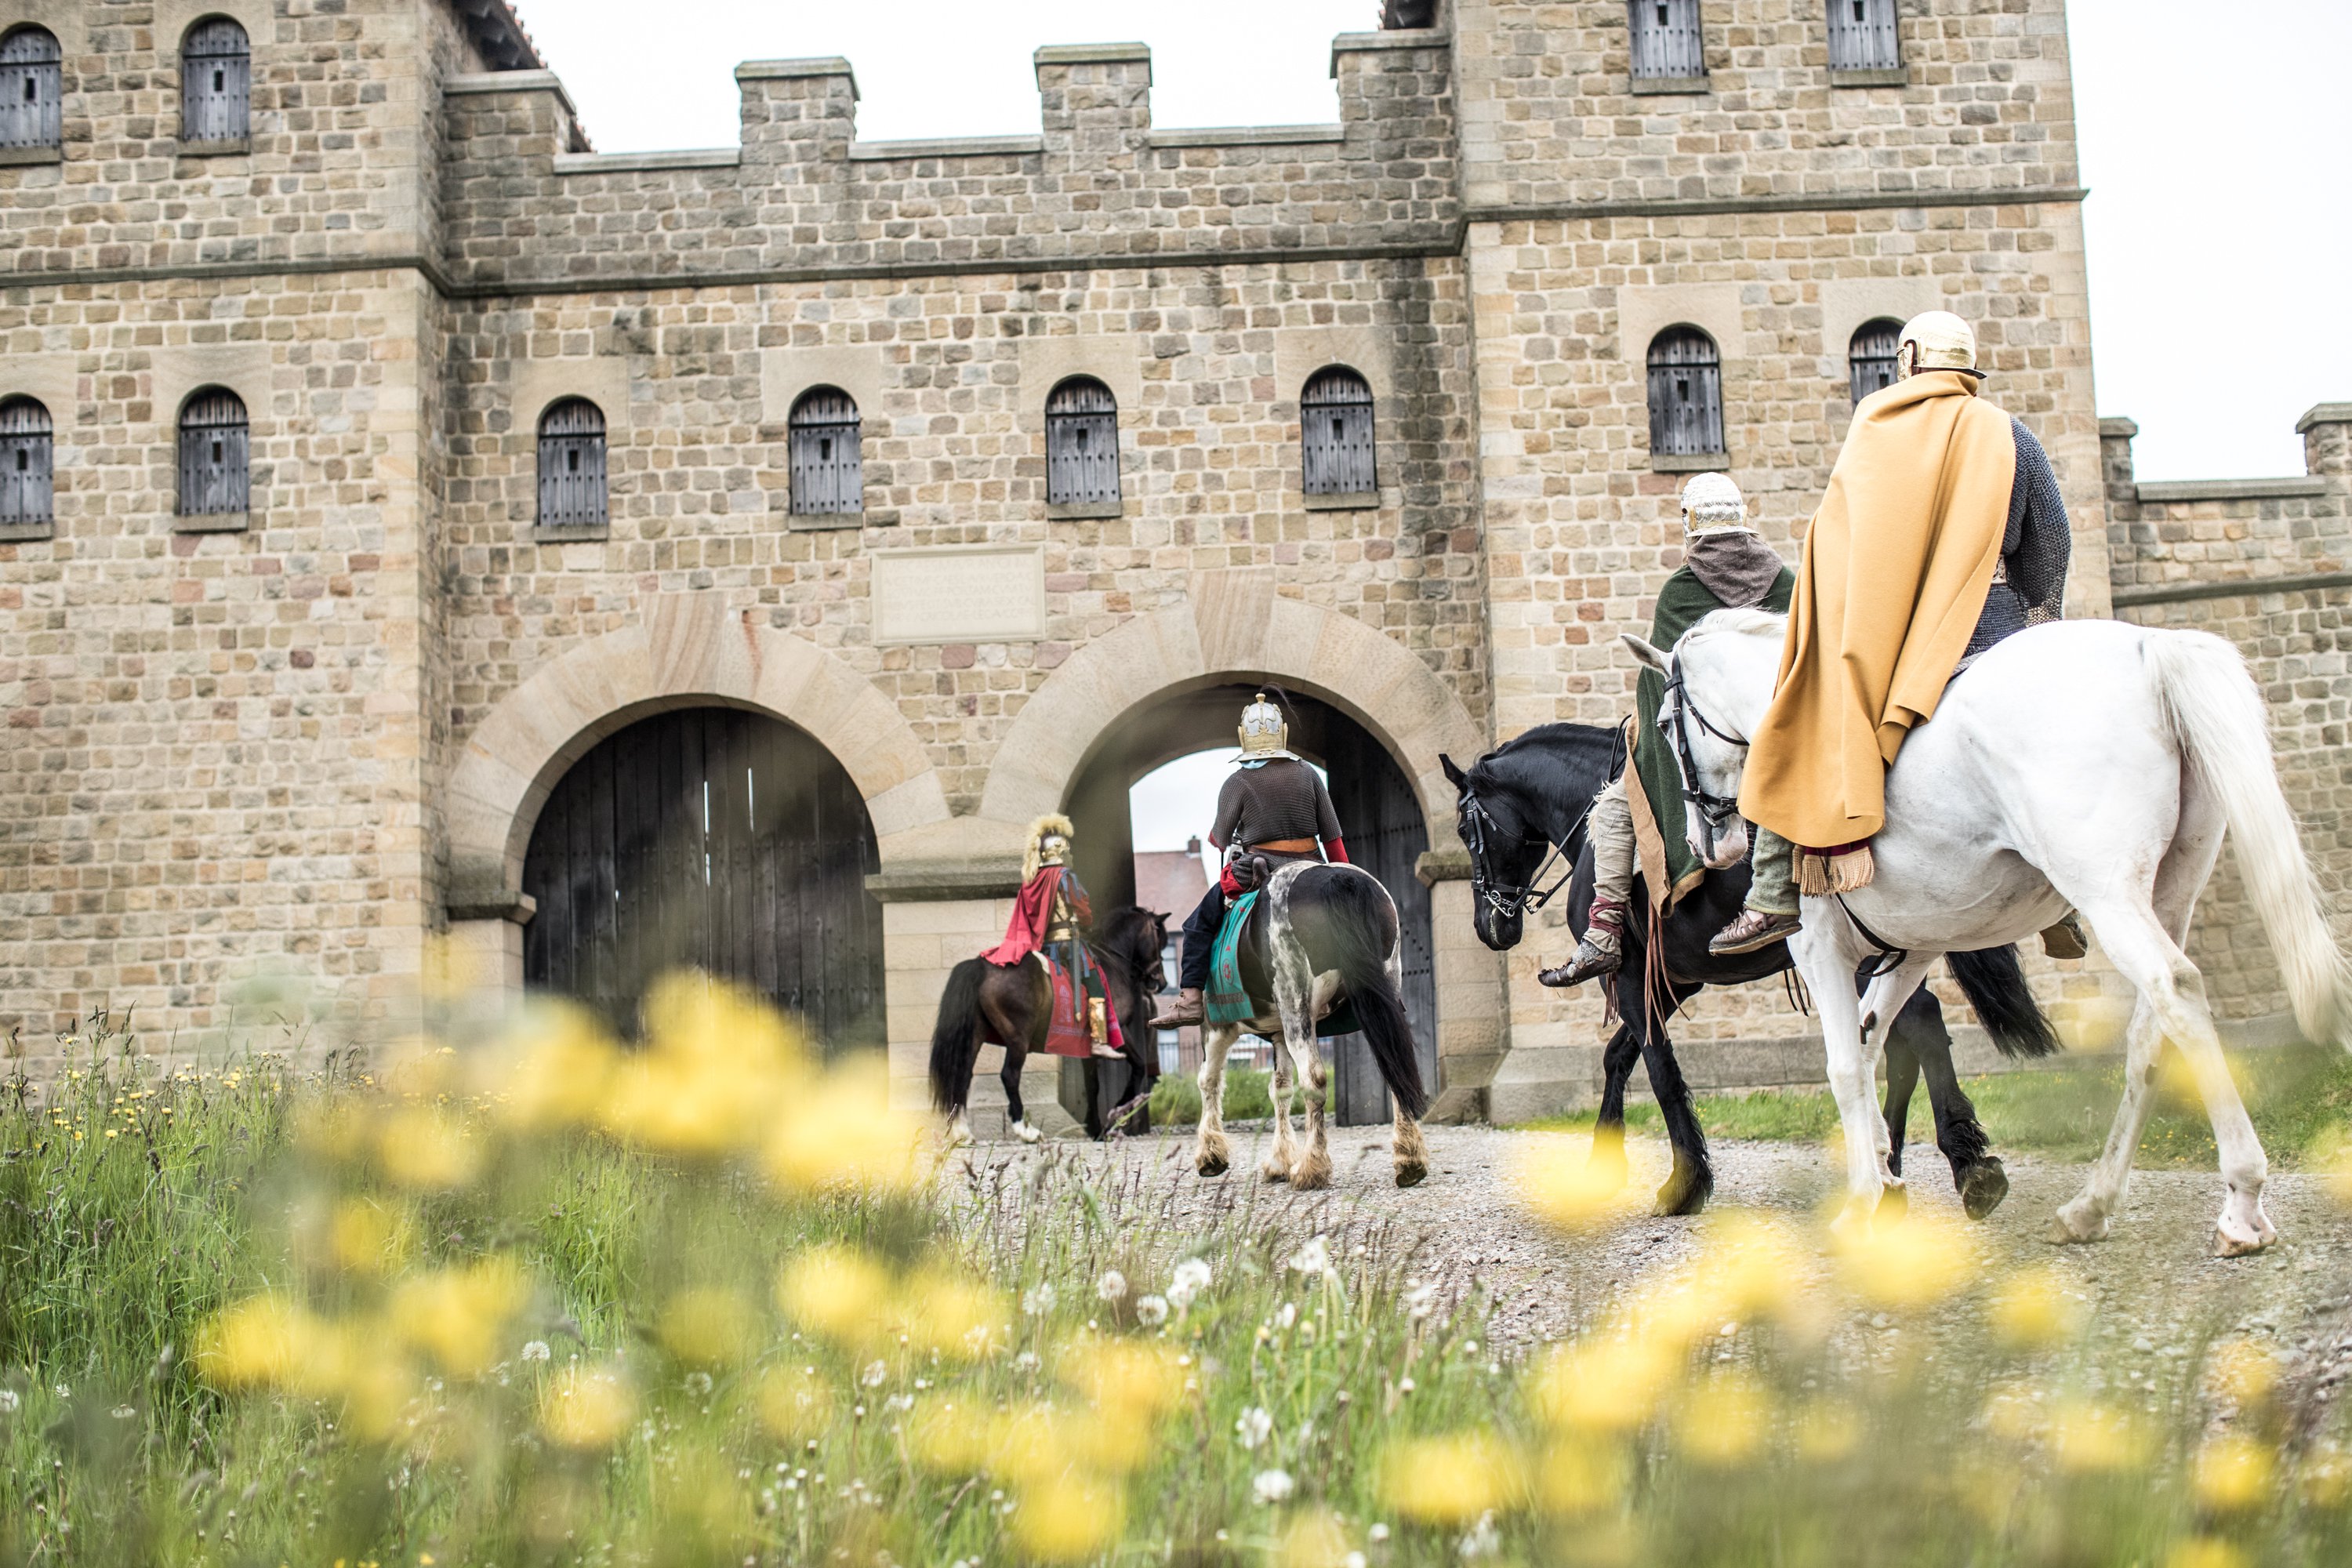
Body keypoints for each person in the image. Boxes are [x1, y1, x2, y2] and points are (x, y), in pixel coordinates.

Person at [1711, 310, 2077, 958]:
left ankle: (1770, 896)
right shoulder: (2010, 435)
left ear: (1907, 359)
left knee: (1798, 720)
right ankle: (2066, 898)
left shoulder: (1877, 428)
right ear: (1967, 368)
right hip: (1998, 631)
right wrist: (2039, 620)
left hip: (1899, 642)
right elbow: (2049, 544)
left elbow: (1840, 544)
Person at [1539, 473, 1792, 987]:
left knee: (1617, 802)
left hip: (1715, 751)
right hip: (1786, 742)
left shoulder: (1681, 591)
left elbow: (1666, 686)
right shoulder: (1787, 581)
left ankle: (1603, 932)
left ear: (1689, 525)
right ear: (1743, 517)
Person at [1147, 694, 1350, 1029]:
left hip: (1260, 869)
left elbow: (1219, 839)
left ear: (1243, 737)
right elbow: (1333, 838)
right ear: (1283, 733)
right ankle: (1379, 986)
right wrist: (1344, 873)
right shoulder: (1309, 774)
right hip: (1313, 867)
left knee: (1197, 924)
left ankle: (1191, 1000)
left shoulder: (1238, 781)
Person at [984, 814, 1123, 1058]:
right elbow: (1082, 909)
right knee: (1095, 985)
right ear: (1061, 852)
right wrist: (1086, 921)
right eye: (1068, 851)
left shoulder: (1032, 879)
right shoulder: (1065, 876)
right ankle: (1098, 1041)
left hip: (1043, 948)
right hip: (1069, 946)